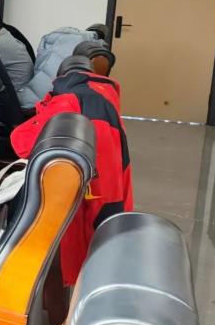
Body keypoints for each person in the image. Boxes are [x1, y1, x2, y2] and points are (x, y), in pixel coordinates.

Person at [9, 55, 133, 286]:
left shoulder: (69, 99)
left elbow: (21, 143)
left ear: (60, 76)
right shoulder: (105, 92)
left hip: (83, 197)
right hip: (112, 187)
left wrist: (45, 109)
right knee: (100, 252)